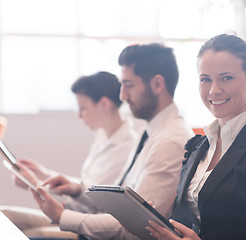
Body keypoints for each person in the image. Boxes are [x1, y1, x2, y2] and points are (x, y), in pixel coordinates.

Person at [30, 43, 194, 240]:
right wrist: (77, 189)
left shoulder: (169, 141)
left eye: (129, 85)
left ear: (157, 85)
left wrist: (62, 216)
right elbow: (117, 203)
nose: (122, 95)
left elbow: (135, 226)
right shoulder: (151, 131)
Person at [146, 34, 246, 240]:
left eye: (226, 78)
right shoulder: (197, 146)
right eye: (205, 79)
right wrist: (147, 224)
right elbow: (186, 222)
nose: (214, 90)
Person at [1, 71, 138, 237]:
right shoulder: (103, 138)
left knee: (23, 232)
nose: (79, 116)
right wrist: (44, 174)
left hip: (87, 224)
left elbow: (94, 204)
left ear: (104, 103)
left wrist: (35, 183)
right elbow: (83, 186)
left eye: (83, 108)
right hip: (74, 214)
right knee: (4, 215)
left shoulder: (125, 148)